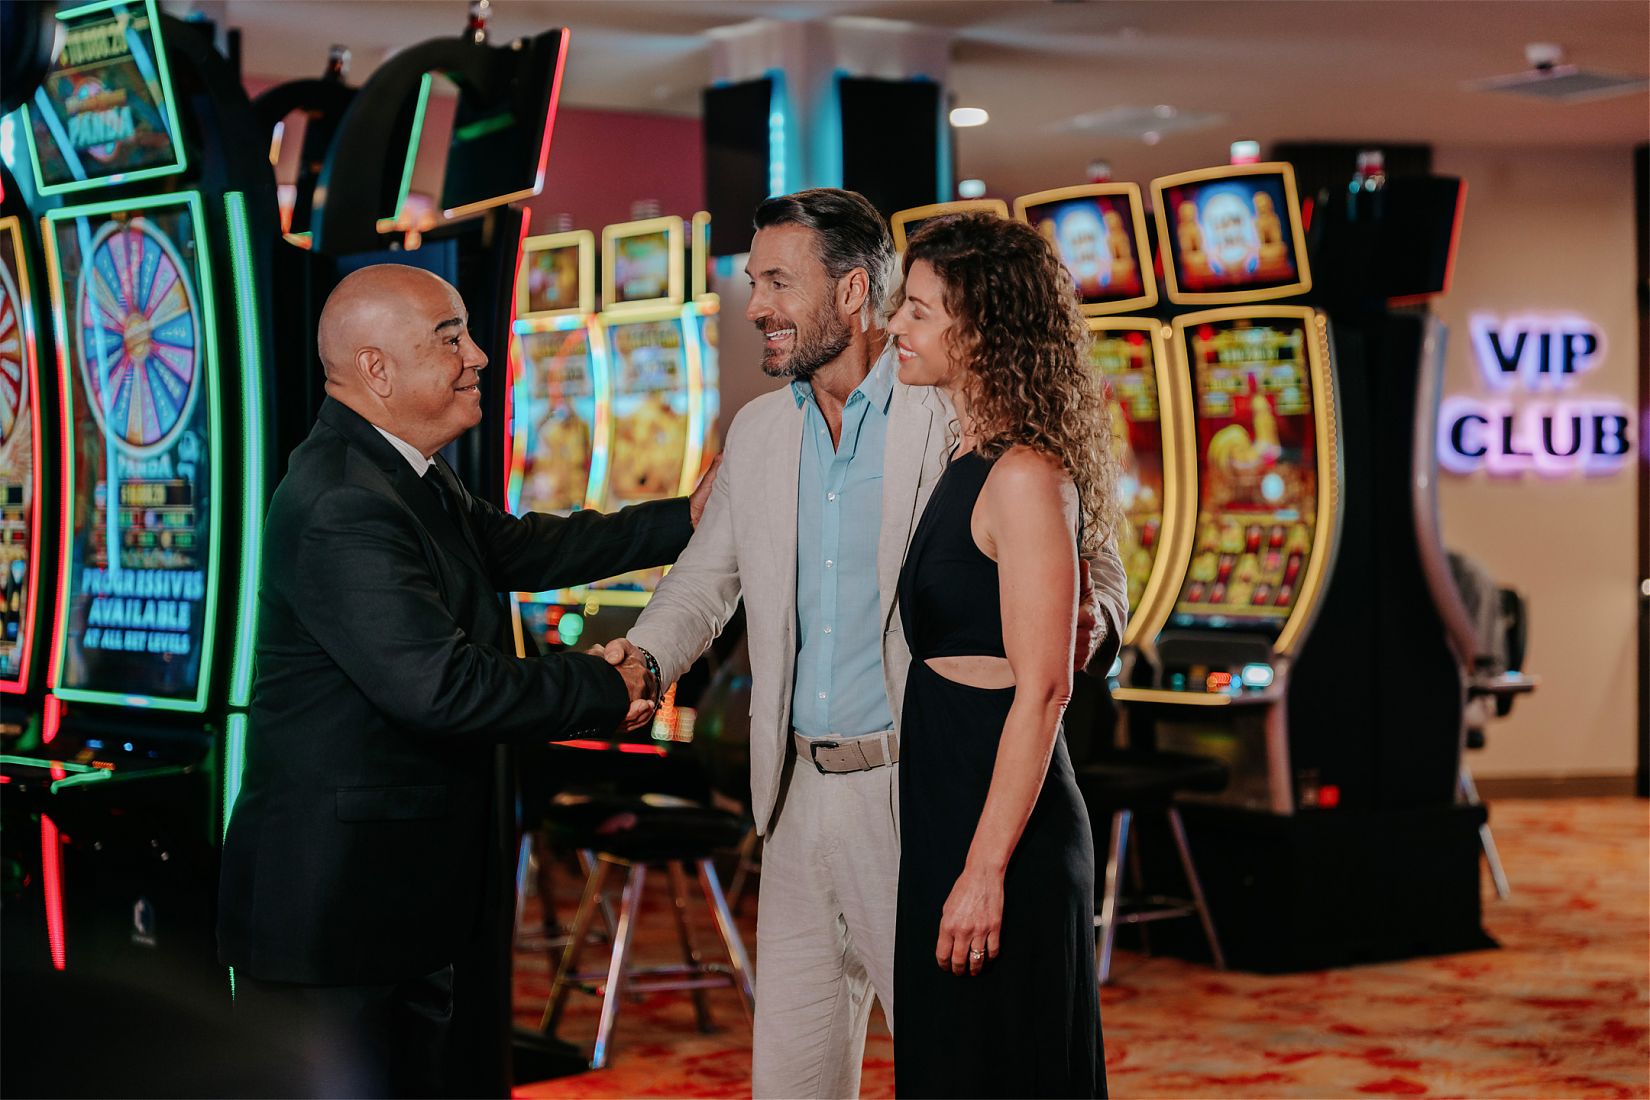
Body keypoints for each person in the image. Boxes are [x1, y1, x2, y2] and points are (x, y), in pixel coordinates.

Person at [604, 189, 1128, 1099]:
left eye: (778, 281)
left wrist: (1095, 622)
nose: (757, 305)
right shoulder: (758, 433)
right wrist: (645, 660)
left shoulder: (952, 405)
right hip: (795, 795)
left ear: (852, 292)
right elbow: (703, 581)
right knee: (792, 1082)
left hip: (916, 789)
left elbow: (1092, 554)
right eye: (754, 281)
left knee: (952, 1065)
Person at [217, 264, 714, 1098]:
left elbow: (526, 548)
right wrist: (605, 685)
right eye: (450, 338)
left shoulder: (399, 470)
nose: (478, 355)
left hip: (392, 901)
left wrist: (688, 518)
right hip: (337, 919)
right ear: (376, 369)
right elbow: (441, 687)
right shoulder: (344, 498)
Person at [885, 212, 1115, 1098]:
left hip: (1005, 828)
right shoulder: (965, 456)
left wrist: (984, 871)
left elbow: (1045, 690)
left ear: (980, 329)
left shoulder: (1023, 475)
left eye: (919, 310)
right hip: (948, 805)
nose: (897, 326)